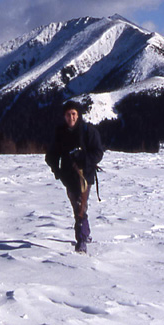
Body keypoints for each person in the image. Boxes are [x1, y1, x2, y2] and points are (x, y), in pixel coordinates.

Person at [45, 100, 104, 253]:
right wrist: (56, 169)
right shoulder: (61, 133)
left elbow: (98, 152)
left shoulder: (88, 131)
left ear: (78, 115)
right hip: (68, 176)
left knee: (80, 207)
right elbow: (52, 154)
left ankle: (82, 240)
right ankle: (86, 232)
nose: (71, 118)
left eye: (73, 114)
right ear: (64, 116)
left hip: (85, 175)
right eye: (68, 114)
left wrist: (83, 158)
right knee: (77, 205)